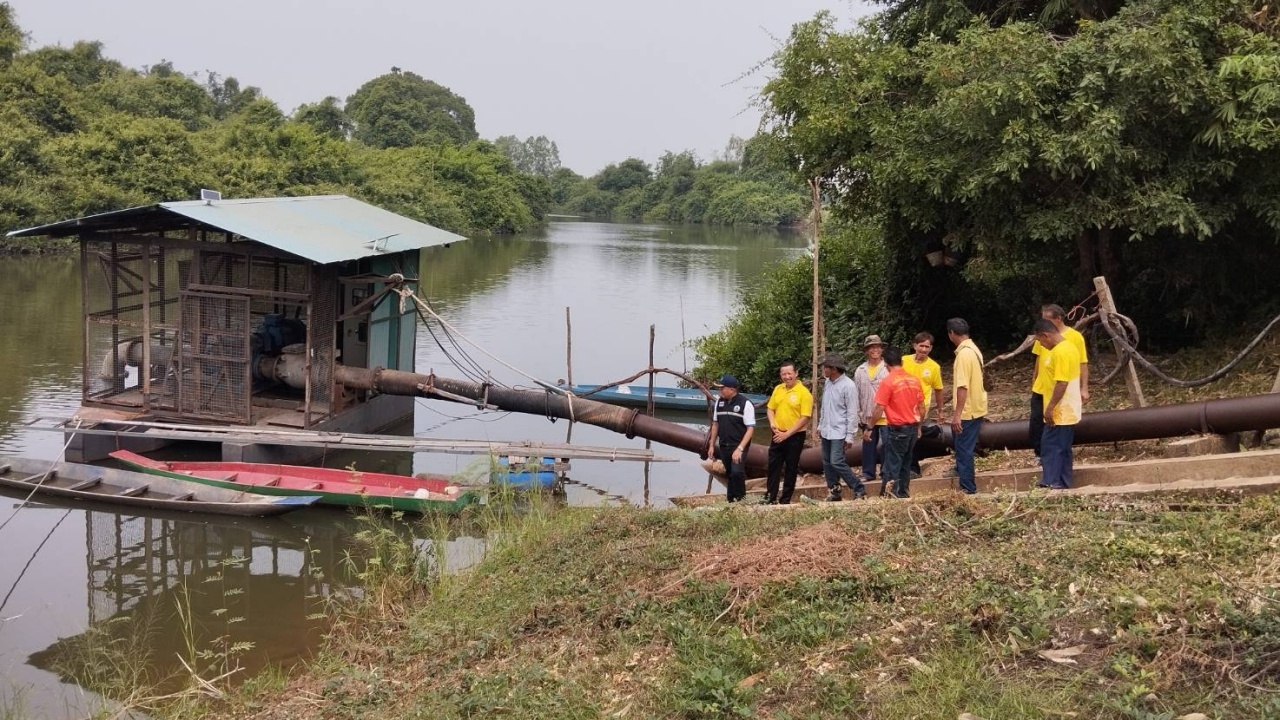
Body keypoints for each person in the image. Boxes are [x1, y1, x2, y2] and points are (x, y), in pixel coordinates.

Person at [1029, 304, 1090, 458]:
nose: (1045, 322)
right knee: (1037, 422)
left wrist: (1084, 388)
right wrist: (1034, 378)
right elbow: (1038, 358)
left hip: (1061, 386)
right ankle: (1040, 455)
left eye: (1047, 319)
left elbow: (1082, 363)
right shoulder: (1042, 335)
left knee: (1058, 422)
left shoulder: (1075, 337)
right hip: (1042, 387)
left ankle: (1057, 456)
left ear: (1059, 319)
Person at [868, 347, 925, 498]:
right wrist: (919, 427)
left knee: (892, 465)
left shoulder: (888, 382)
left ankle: (889, 497)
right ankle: (903, 494)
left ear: (886, 364)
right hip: (912, 428)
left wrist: (869, 427)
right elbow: (922, 407)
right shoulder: (914, 379)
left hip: (898, 429)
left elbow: (879, 408)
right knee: (905, 464)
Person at [1033, 318, 1083, 489]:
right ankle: (1062, 481)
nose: (1041, 345)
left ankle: (1051, 481)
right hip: (1066, 407)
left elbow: (1062, 382)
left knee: (1050, 446)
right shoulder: (1069, 347)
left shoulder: (1061, 352)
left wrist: (1050, 408)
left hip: (1061, 410)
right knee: (1062, 447)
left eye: (1040, 341)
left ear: (1045, 336)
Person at [947, 318, 988, 494]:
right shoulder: (974, 349)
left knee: (964, 450)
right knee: (961, 445)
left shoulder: (963, 355)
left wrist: (958, 414)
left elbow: (962, 387)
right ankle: (959, 471)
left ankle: (968, 488)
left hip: (968, 410)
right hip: (977, 405)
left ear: (951, 334)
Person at [817, 353, 865, 501]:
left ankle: (858, 488)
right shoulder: (828, 383)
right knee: (826, 462)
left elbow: (852, 412)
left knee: (836, 461)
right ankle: (835, 491)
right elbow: (825, 406)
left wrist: (850, 435)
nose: (823, 370)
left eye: (825, 367)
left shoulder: (848, 386)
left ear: (834, 369)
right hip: (827, 429)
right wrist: (820, 425)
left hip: (839, 431)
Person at [765, 361, 813, 504]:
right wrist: (773, 424)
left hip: (795, 435)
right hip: (777, 433)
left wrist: (787, 434)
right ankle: (769, 497)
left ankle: (785, 499)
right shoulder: (778, 389)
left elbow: (805, 417)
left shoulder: (804, 393)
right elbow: (770, 409)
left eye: (789, 373)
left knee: (791, 467)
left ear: (796, 374)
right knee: (773, 466)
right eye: (783, 374)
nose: (786, 377)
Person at [706, 374, 756, 502]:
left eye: (722, 388)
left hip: (739, 445)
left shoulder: (745, 404)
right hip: (724, 445)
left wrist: (740, 448)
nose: (720, 391)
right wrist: (712, 445)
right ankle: (731, 500)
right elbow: (715, 424)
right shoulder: (719, 403)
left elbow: (750, 429)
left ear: (732, 390)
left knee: (737, 472)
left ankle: (741, 501)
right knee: (729, 473)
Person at [902, 331, 945, 476]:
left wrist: (940, 410)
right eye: (922, 346)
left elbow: (938, 389)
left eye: (927, 347)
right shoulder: (904, 361)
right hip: (903, 407)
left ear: (931, 349)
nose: (924, 350)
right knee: (908, 437)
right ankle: (933, 432)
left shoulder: (934, 367)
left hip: (921, 409)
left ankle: (913, 469)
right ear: (915, 346)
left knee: (913, 436)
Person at [853, 335, 889, 489]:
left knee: (887, 444)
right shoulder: (860, 370)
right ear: (867, 350)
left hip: (887, 415)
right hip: (867, 414)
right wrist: (858, 413)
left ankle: (886, 472)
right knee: (868, 446)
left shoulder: (887, 368)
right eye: (871, 347)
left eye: (877, 347)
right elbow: (857, 393)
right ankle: (868, 472)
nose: (875, 350)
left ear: (881, 349)